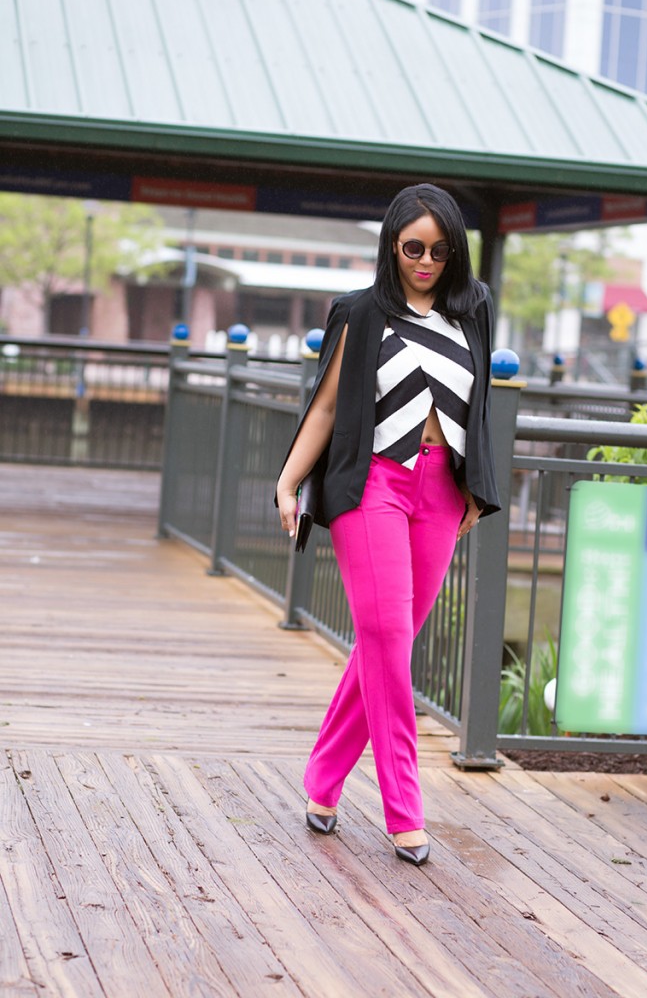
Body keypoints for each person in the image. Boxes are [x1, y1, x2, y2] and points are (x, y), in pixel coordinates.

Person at [276, 183, 500, 866]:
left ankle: (322, 779)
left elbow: (479, 405)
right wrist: (288, 481)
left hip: (439, 491)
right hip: (370, 483)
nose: (425, 261)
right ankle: (404, 806)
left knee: (387, 644)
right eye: (412, 248)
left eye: (439, 250)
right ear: (391, 246)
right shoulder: (360, 312)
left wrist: (471, 491)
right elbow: (323, 410)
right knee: (383, 632)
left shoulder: (475, 310)